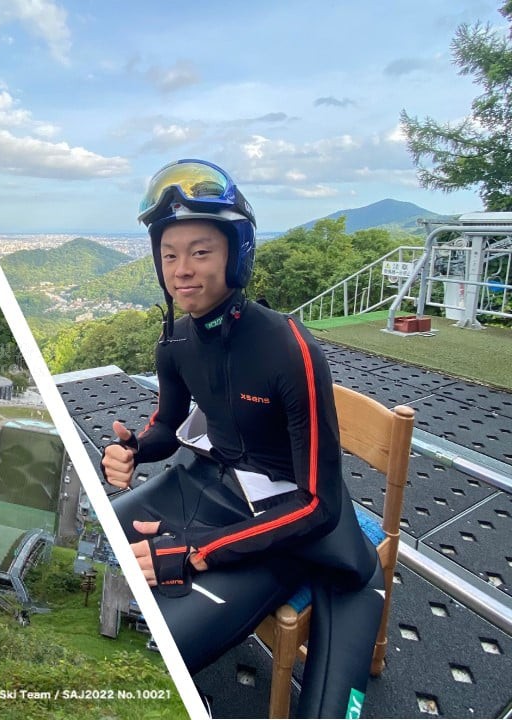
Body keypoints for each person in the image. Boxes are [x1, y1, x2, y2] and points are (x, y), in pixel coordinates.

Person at [100, 159, 383, 718]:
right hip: (211, 483)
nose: (182, 269)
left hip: (288, 520)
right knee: (101, 546)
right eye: (170, 255)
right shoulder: (175, 340)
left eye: (201, 252)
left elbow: (320, 506)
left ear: (237, 254)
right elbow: (168, 426)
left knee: (161, 649)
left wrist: (195, 552)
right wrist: (135, 449)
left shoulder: (286, 347)